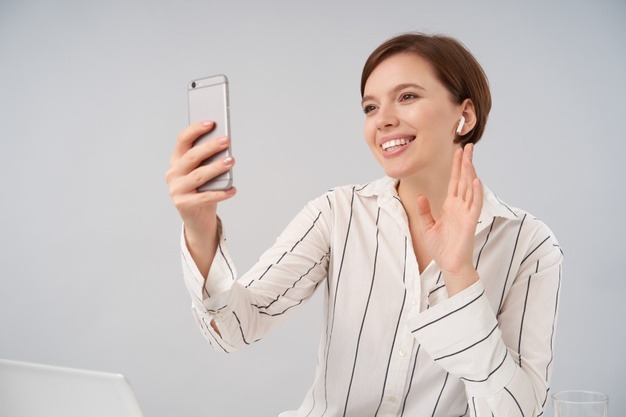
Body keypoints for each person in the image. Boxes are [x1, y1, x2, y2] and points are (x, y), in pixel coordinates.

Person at [166, 33, 563, 417]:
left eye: (407, 97)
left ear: (465, 115)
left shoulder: (529, 245)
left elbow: (516, 411)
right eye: (370, 107)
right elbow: (233, 329)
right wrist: (200, 230)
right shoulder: (337, 213)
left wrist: (460, 275)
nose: (383, 120)